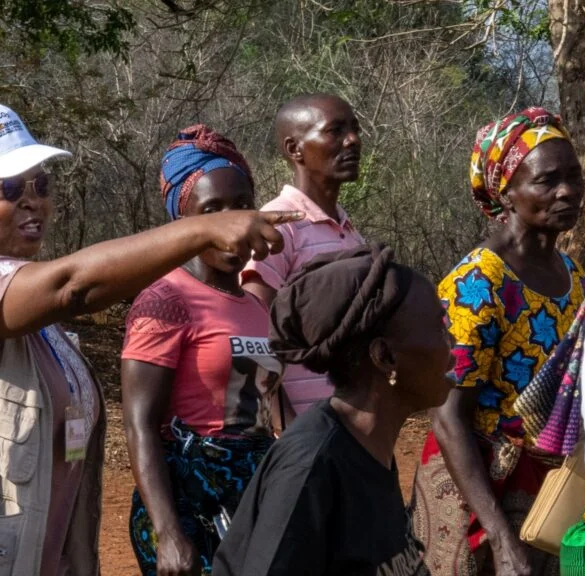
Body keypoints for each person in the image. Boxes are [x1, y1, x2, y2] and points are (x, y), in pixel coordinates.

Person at [0, 101, 303, 576]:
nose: (32, 199)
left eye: (41, 184)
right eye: (9, 187)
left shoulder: (30, 313)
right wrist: (201, 230)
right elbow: (73, 287)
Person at [410, 107, 585, 576]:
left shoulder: (572, 275)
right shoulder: (478, 283)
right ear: (505, 192)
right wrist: (500, 537)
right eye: (547, 180)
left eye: (573, 175)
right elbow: (447, 416)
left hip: (548, 491)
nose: (567, 190)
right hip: (482, 492)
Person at [214, 244, 451, 575]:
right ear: (384, 357)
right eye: (440, 328)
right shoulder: (311, 467)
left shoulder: (369, 445)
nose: (452, 343)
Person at [121, 125, 283, 576]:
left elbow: (263, 406)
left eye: (242, 205)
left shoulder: (255, 305)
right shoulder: (165, 300)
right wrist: (168, 532)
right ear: (183, 223)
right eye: (212, 210)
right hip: (192, 503)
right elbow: (139, 424)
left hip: (251, 495)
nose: (231, 222)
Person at [241, 93, 366, 417]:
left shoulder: (348, 231)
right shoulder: (279, 226)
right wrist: (287, 427)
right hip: (309, 432)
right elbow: (254, 333)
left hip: (355, 429)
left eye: (354, 129)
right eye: (335, 131)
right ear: (295, 149)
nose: (352, 140)